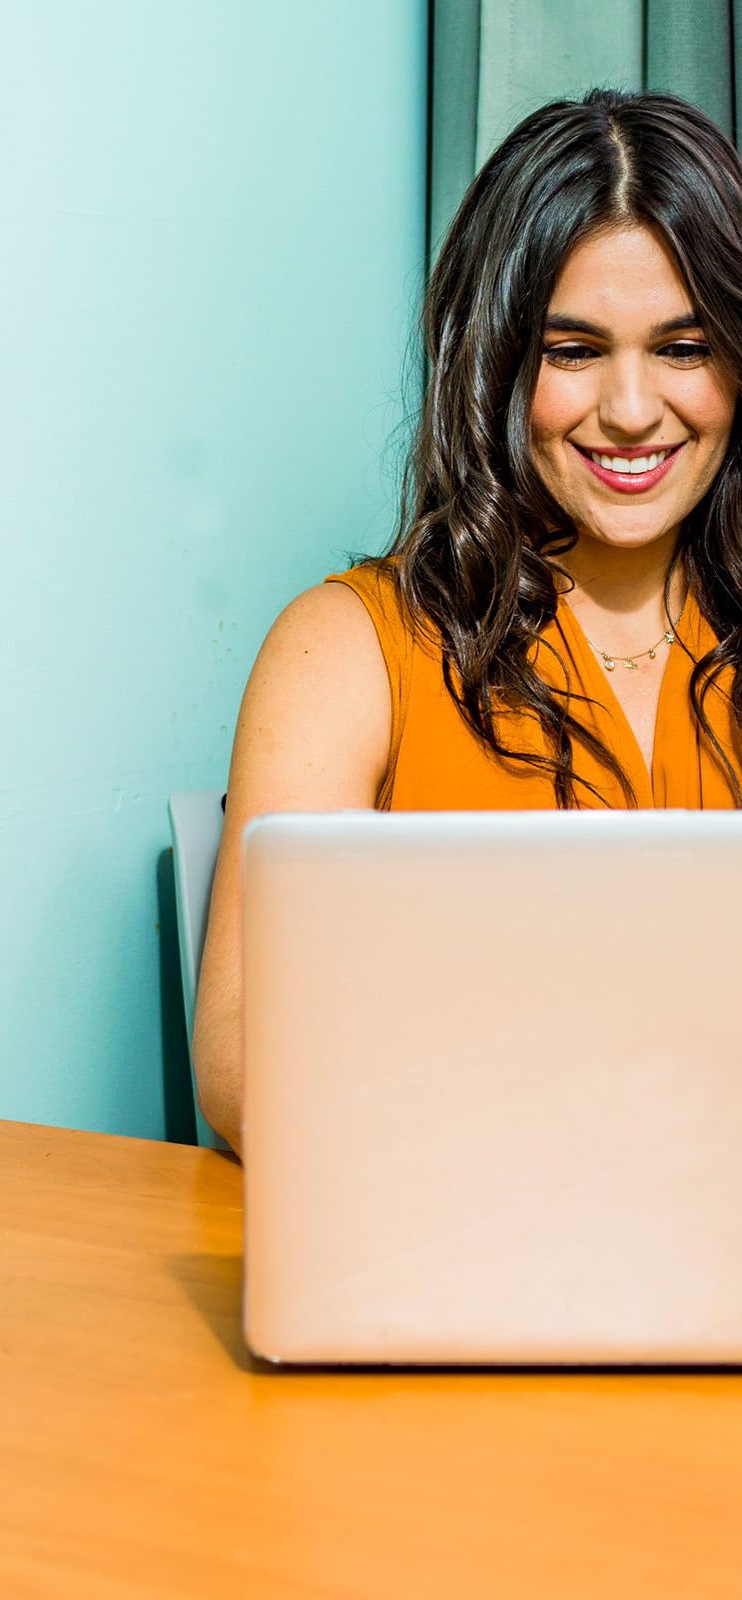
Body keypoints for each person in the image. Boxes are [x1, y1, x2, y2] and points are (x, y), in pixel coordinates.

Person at [194, 88, 742, 1158]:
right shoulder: (344, 652)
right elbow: (243, 1066)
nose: (631, 410)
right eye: (572, 350)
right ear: (494, 360)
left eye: (682, 347)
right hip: (460, 1248)